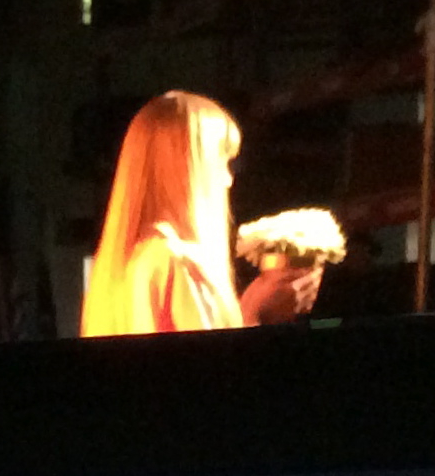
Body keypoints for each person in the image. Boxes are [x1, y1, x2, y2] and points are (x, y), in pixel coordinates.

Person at [79, 91, 321, 337]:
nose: (228, 180)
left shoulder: (117, 267)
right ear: (190, 169)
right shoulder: (179, 263)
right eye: (223, 162)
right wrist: (252, 315)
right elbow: (208, 361)